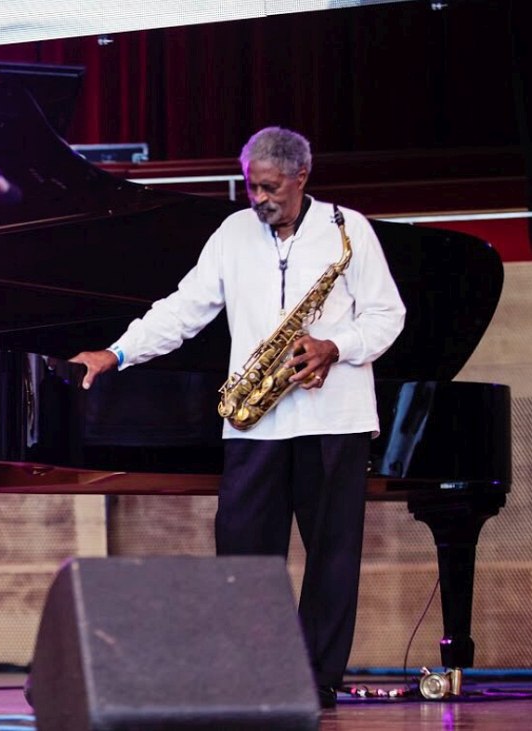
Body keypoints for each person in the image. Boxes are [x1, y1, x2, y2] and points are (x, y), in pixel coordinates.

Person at [70, 127, 406, 708]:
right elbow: (183, 309)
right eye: (252, 186)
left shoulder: (349, 230)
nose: (258, 198)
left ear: (303, 177)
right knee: (243, 552)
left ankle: (317, 680)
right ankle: (252, 675)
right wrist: (116, 352)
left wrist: (335, 345)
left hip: (334, 419)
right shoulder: (232, 233)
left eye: (270, 187)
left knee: (332, 557)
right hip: (257, 424)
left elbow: (387, 315)